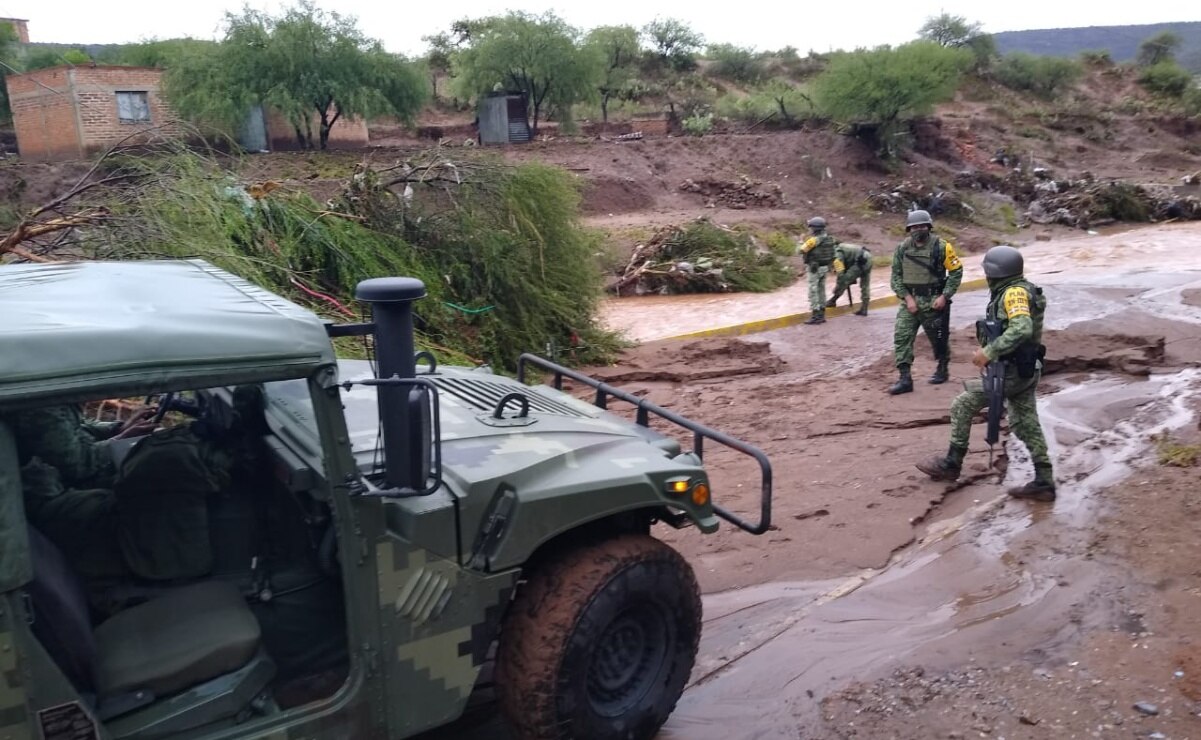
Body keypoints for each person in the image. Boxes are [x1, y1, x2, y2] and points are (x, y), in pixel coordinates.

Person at [915, 245, 1056, 501]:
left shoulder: (1013, 294)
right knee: (1026, 424)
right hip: (1026, 369)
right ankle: (1044, 480)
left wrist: (989, 351)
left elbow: (1022, 328)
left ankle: (951, 464)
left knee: (963, 404)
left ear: (996, 273)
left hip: (1011, 372)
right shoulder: (1023, 288)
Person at [888, 209, 964, 394]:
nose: (918, 230)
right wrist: (907, 298)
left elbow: (956, 271)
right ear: (909, 229)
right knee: (901, 337)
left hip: (933, 301)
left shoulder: (942, 246)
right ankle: (905, 378)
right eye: (914, 227)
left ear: (928, 227)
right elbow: (895, 277)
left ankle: (942, 367)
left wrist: (944, 296)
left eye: (921, 226)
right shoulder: (902, 248)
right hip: (910, 301)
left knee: (938, 339)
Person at [798, 216, 838, 325]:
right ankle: (822, 314)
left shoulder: (814, 240)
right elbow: (834, 254)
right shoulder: (830, 239)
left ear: (815, 228)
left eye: (811, 227)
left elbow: (801, 250)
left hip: (814, 269)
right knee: (821, 290)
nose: (810, 229)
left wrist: (801, 241)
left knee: (813, 291)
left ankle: (816, 316)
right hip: (824, 268)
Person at [825, 243, 872, 316]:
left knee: (844, 280)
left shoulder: (837, 254)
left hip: (860, 261)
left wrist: (838, 285)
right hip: (868, 257)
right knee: (865, 285)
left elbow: (840, 274)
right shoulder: (841, 247)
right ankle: (864, 309)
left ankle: (833, 300)